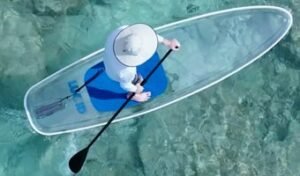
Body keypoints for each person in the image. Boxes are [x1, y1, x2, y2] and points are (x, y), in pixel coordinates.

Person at [103, 24, 180, 102]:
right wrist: (136, 89)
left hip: (107, 57)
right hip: (113, 73)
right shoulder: (127, 71)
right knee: (136, 81)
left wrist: (166, 42)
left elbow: (147, 36)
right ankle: (132, 95)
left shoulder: (121, 30)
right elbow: (125, 85)